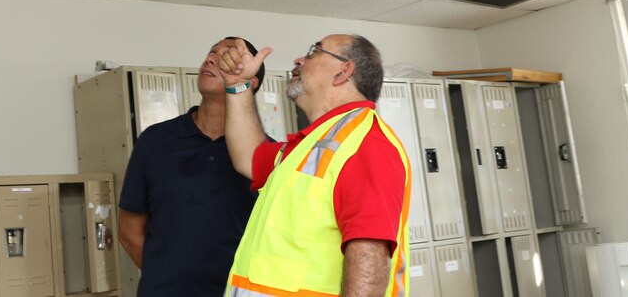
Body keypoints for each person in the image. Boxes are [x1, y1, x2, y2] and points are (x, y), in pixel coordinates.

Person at [218, 34, 410, 297]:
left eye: (313, 52)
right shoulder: (312, 144)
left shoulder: (365, 142)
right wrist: (238, 86)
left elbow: (369, 255)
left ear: (344, 71)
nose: (298, 60)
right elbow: (248, 157)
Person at [117, 37, 266, 297]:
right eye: (211, 52)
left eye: (227, 57)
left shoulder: (264, 154)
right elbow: (129, 232)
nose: (210, 59)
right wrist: (166, 278)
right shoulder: (155, 140)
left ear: (249, 82)